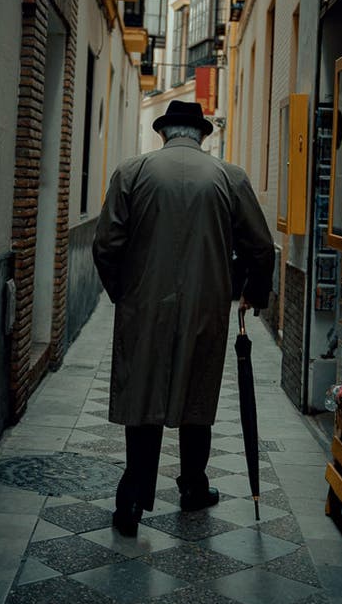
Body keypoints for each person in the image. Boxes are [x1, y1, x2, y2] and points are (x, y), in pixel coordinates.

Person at [92, 99, 275, 537]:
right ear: (202, 136)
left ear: (164, 133)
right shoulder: (230, 178)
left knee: (144, 396)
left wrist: (125, 294)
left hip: (144, 309)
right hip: (206, 308)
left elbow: (105, 244)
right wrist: (252, 294)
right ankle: (193, 487)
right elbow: (262, 248)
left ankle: (132, 498)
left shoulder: (131, 172)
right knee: (198, 397)